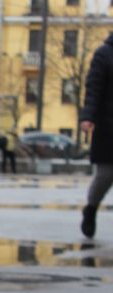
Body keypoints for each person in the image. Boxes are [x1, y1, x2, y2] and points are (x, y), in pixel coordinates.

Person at [79, 32, 113, 238]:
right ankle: (91, 209)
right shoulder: (104, 54)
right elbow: (94, 88)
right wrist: (88, 116)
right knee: (105, 175)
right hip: (109, 127)